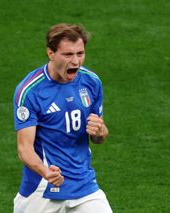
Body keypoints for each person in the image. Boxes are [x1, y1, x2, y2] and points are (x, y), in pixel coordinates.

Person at [13, 23, 113, 213]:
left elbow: (98, 136)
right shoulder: (30, 91)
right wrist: (46, 172)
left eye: (80, 53)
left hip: (84, 186)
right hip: (43, 189)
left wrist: (100, 132)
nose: (76, 61)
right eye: (68, 55)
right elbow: (24, 149)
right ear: (51, 53)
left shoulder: (91, 82)